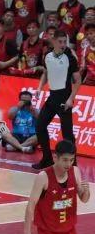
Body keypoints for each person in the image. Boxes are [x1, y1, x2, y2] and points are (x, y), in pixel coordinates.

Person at [33, 30, 80, 170]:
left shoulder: (70, 58)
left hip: (65, 100)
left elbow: (77, 80)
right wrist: (40, 87)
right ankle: (47, 159)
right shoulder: (47, 55)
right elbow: (46, 73)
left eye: (65, 42)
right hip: (52, 98)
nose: (63, 44)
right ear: (53, 41)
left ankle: (73, 165)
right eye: (60, 42)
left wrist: (71, 99)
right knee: (40, 126)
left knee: (67, 135)